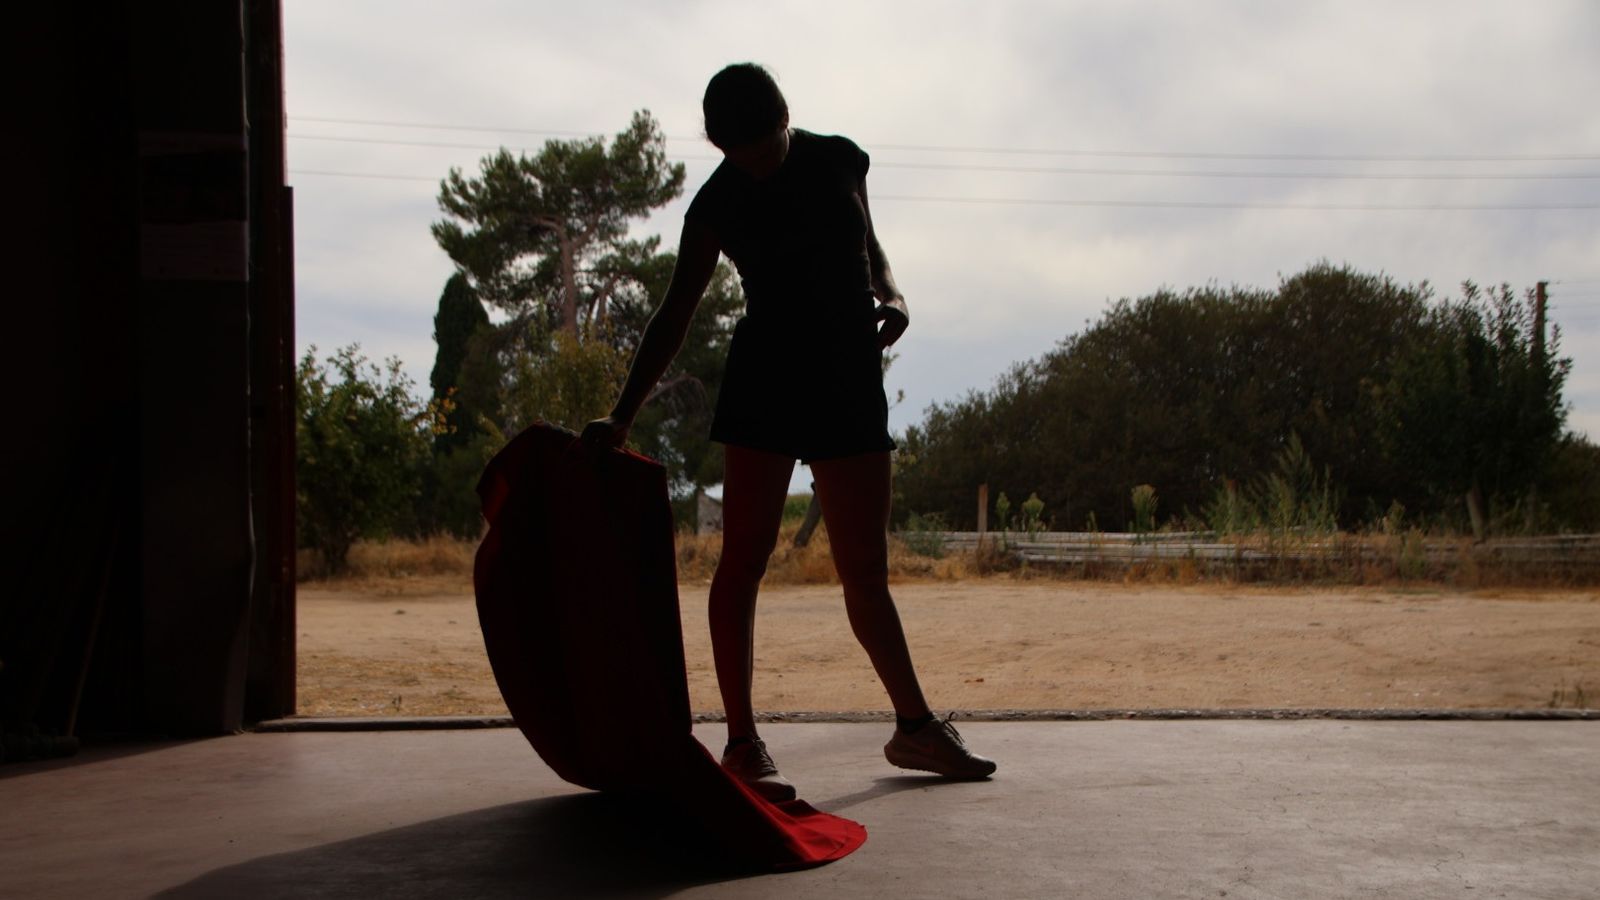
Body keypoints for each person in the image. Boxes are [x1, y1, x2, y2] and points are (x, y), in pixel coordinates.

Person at [582, 62, 994, 802]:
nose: (758, 166)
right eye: (739, 156)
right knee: (743, 561)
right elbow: (674, 313)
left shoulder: (840, 159)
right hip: (767, 376)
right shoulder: (714, 202)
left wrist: (891, 293)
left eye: (767, 146)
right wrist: (623, 412)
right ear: (717, 146)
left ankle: (915, 728)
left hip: (845, 374)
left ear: (785, 118)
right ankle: (742, 745)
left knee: (864, 570)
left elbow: (867, 241)